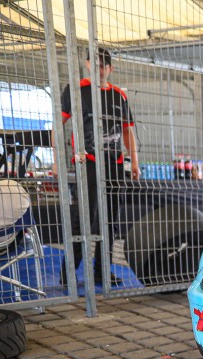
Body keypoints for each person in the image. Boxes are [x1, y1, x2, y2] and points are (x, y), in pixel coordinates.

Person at [53, 47, 140, 287]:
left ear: (110, 68)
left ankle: (102, 271)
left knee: (110, 219)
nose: (99, 69)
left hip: (115, 164)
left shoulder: (119, 96)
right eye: (95, 64)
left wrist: (134, 161)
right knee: (84, 218)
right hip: (87, 163)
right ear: (87, 64)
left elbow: (127, 131)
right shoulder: (75, 90)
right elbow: (58, 125)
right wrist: (57, 160)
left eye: (103, 65)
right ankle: (69, 272)